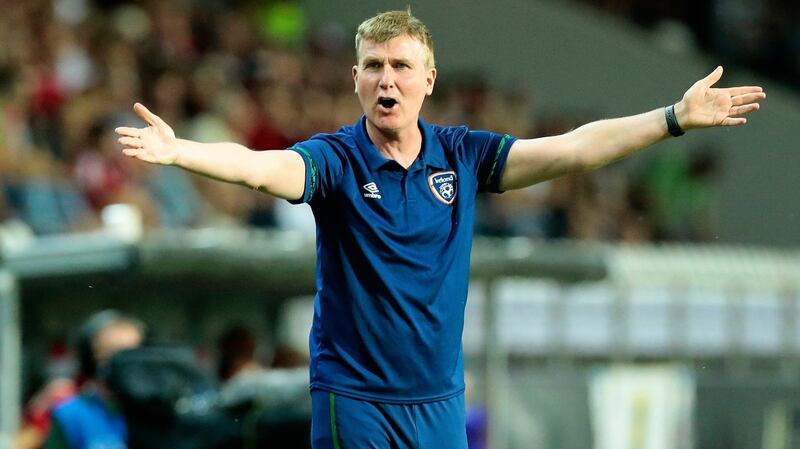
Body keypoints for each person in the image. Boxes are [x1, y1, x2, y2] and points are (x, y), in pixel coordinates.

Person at [115, 9, 765, 449]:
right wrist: (183, 153)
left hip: (440, 403)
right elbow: (263, 170)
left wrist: (672, 118)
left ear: (428, 79)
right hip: (356, 398)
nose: (385, 79)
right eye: (373, 66)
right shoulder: (336, 160)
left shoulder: (462, 154)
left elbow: (571, 148)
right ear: (356, 80)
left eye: (400, 66)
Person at [44, 310, 146, 449]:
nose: (122, 363)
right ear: (90, 359)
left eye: (131, 353)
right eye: (110, 353)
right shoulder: (70, 415)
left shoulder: (164, 412)